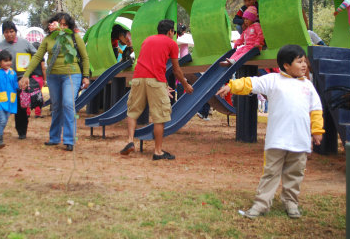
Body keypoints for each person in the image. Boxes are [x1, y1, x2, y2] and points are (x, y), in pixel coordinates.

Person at [216, 44, 324, 219]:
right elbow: (250, 83)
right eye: (299, 62)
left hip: (300, 141)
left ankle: (291, 202)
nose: (304, 65)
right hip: (277, 140)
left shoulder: (308, 86)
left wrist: (317, 130)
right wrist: (231, 86)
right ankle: (261, 204)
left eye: (305, 61)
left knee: (295, 174)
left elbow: (316, 110)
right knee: (271, 173)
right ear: (286, 65)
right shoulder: (273, 80)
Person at [119, 19, 194, 160]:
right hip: (155, 81)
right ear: (170, 31)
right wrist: (185, 85)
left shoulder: (147, 40)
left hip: (138, 78)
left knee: (132, 112)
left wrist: (164, 85)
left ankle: (130, 141)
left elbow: (150, 63)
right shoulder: (172, 43)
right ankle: (158, 152)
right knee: (159, 117)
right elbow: (176, 70)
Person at [19, 13, 90, 152]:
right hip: (53, 76)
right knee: (56, 106)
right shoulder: (47, 39)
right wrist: (26, 74)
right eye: (58, 23)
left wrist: (86, 76)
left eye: (64, 25)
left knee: (68, 104)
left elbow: (85, 58)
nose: (61, 27)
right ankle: (54, 138)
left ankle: (70, 140)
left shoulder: (74, 37)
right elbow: (37, 56)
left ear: (69, 26)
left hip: (72, 75)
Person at [0, 20, 37, 140]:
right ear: (3, 33)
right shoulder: (1, 45)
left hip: (21, 78)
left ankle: (22, 132)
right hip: (4, 79)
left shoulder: (25, 43)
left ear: (15, 31)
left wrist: (29, 70)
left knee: (21, 106)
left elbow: (36, 55)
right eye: (6, 32)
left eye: (11, 31)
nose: (9, 34)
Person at [26, 42, 46, 119]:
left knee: (28, 95)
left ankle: (27, 112)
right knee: (38, 95)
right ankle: (37, 113)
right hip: (39, 78)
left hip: (30, 77)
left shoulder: (28, 57)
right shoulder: (41, 57)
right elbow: (43, 68)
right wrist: (45, 79)